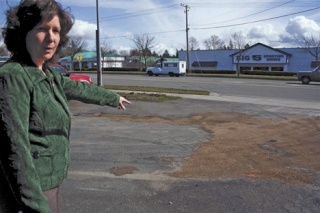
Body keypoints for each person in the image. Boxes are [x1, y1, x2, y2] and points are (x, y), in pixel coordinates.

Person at [0, 0, 131, 212]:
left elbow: (81, 89)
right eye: (42, 29)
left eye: (56, 30)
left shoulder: (48, 73)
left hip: (50, 181)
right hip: (31, 191)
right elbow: (14, 150)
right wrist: (34, 204)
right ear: (23, 32)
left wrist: (112, 98)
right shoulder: (13, 76)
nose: (51, 37)